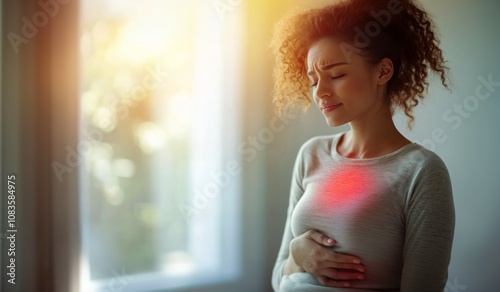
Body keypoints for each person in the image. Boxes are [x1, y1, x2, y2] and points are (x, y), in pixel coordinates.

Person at [270, 0, 455, 291]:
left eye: (336, 75)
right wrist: (297, 253)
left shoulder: (422, 171)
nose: (320, 92)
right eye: (313, 80)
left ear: (382, 72)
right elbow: (278, 277)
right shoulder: (311, 154)